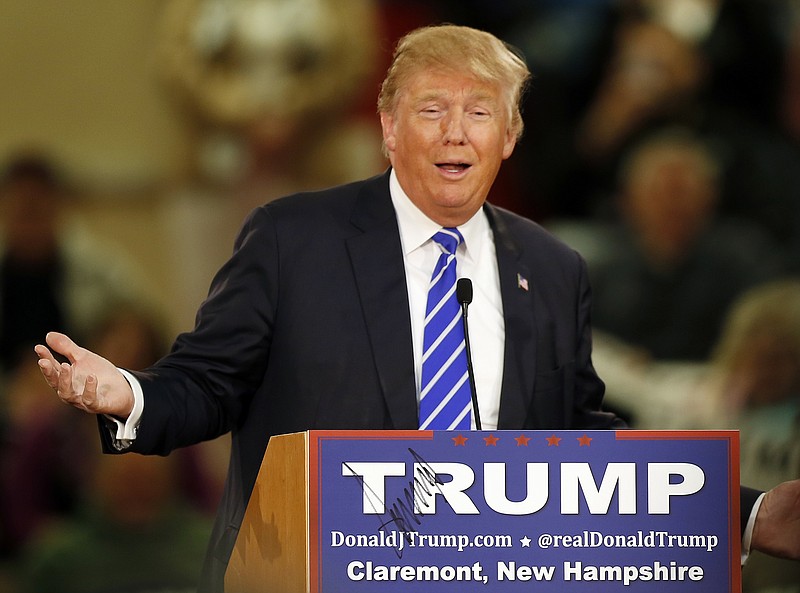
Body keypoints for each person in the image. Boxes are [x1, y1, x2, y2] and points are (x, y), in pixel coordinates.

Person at [32, 24, 800, 592]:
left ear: (511, 133)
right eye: (431, 109)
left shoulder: (554, 268)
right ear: (390, 128)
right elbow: (206, 382)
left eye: (480, 111)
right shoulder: (294, 237)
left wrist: (749, 512)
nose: (455, 133)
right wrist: (129, 392)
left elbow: (584, 450)